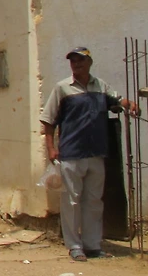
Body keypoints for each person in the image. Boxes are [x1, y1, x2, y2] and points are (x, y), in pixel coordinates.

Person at [40, 47, 140, 261]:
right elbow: (48, 121)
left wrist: (131, 105)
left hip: (96, 152)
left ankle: (93, 245)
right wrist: (51, 148)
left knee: (94, 201)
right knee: (72, 201)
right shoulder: (62, 88)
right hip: (71, 152)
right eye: (73, 61)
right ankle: (74, 246)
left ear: (89, 63)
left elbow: (118, 100)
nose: (77, 64)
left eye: (81, 61)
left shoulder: (100, 86)